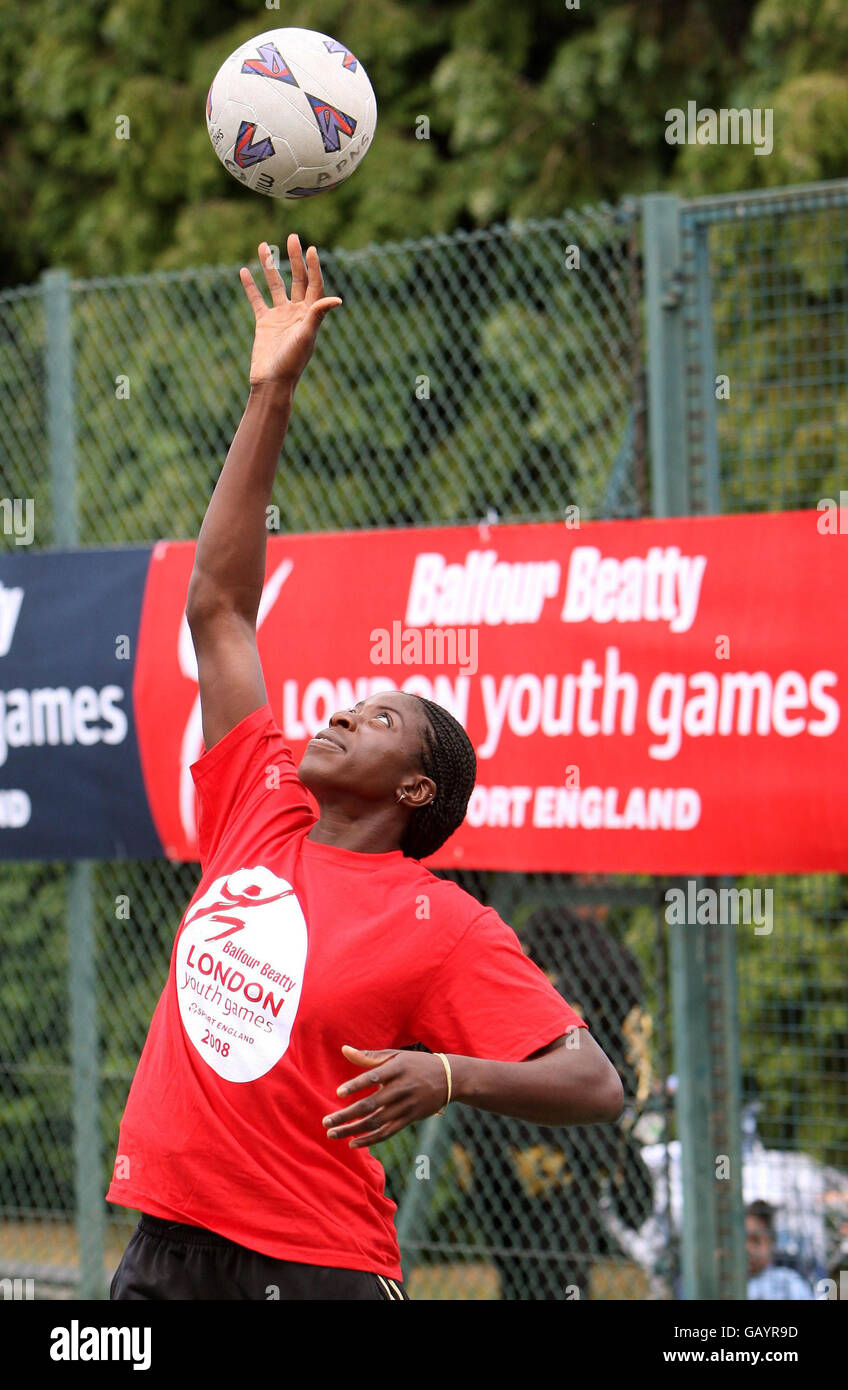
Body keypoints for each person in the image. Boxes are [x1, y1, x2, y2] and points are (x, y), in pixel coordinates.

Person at [106, 236, 624, 1301]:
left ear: (414, 789)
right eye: (352, 699)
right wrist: (271, 391)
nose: (342, 707)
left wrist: (448, 1073)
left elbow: (591, 1081)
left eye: (381, 715)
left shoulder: (440, 923)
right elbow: (218, 606)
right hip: (160, 1248)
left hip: (311, 1267)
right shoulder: (262, 801)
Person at [746, 1200, 814, 1300]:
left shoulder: (788, 1284)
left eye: (756, 1240)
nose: (747, 1248)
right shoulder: (723, 1284)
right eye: (741, 1240)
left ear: (771, 1242)